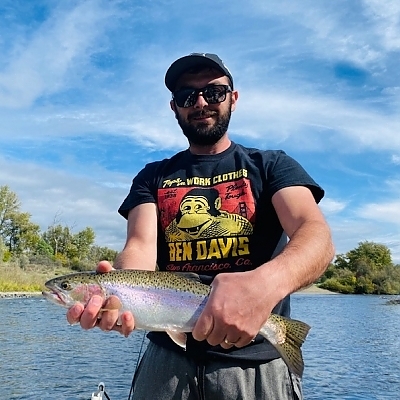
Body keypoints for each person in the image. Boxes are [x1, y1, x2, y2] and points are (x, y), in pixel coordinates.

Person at [67, 53, 335, 399]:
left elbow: (316, 236)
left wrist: (263, 286)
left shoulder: (272, 166)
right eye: (186, 96)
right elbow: (139, 247)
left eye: (214, 92)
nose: (201, 103)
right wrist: (120, 291)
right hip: (166, 361)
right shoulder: (153, 176)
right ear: (174, 107)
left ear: (233, 99)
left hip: (255, 365)